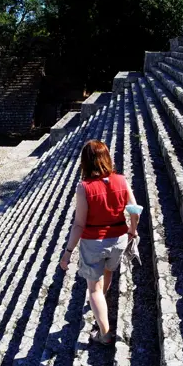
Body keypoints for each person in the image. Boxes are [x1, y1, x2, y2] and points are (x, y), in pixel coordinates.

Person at [60, 139, 140, 345]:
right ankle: (100, 302)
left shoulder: (84, 187)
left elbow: (79, 224)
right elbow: (134, 209)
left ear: (85, 162)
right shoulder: (121, 180)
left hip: (94, 241)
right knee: (108, 273)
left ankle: (104, 333)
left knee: (93, 289)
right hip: (119, 239)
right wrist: (132, 229)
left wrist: (68, 252)